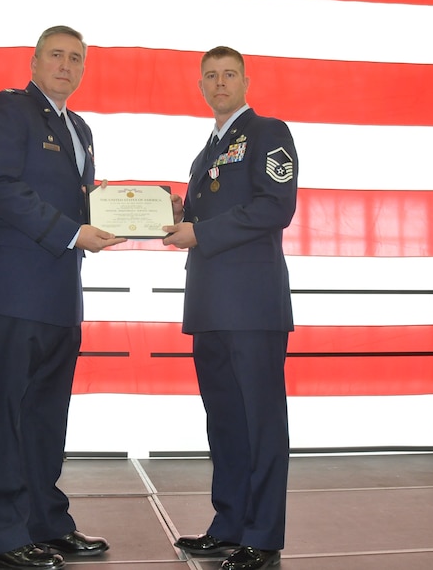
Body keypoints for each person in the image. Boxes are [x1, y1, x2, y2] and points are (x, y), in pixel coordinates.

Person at [0, 25, 125, 569]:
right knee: (3, 413)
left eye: (76, 58)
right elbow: (1, 185)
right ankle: (3, 535)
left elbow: (79, 203)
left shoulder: (79, 127)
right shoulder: (10, 109)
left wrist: (116, 216)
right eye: (56, 55)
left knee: (45, 415)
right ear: (34, 62)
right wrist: (73, 231)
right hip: (12, 287)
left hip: (60, 290)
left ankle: (46, 522)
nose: (66, 65)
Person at [162, 46, 297, 570]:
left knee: (260, 422)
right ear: (201, 84)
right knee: (224, 422)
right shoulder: (206, 154)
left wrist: (201, 229)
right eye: (211, 76)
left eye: (228, 75)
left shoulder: (269, 133)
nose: (219, 83)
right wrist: (178, 210)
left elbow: (274, 206)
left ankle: (261, 536)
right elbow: (207, 213)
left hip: (252, 305)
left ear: (245, 80)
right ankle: (230, 523)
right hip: (210, 306)